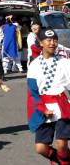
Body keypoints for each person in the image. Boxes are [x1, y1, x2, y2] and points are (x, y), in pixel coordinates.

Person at [27, 28, 70, 165]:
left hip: (61, 104)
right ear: (41, 42)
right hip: (43, 107)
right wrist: (43, 109)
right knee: (41, 148)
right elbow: (33, 92)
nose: (52, 43)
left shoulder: (64, 62)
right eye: (49, 40)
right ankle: (62, 160)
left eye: (55, 40)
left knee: (62, 144)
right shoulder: (34, 65)